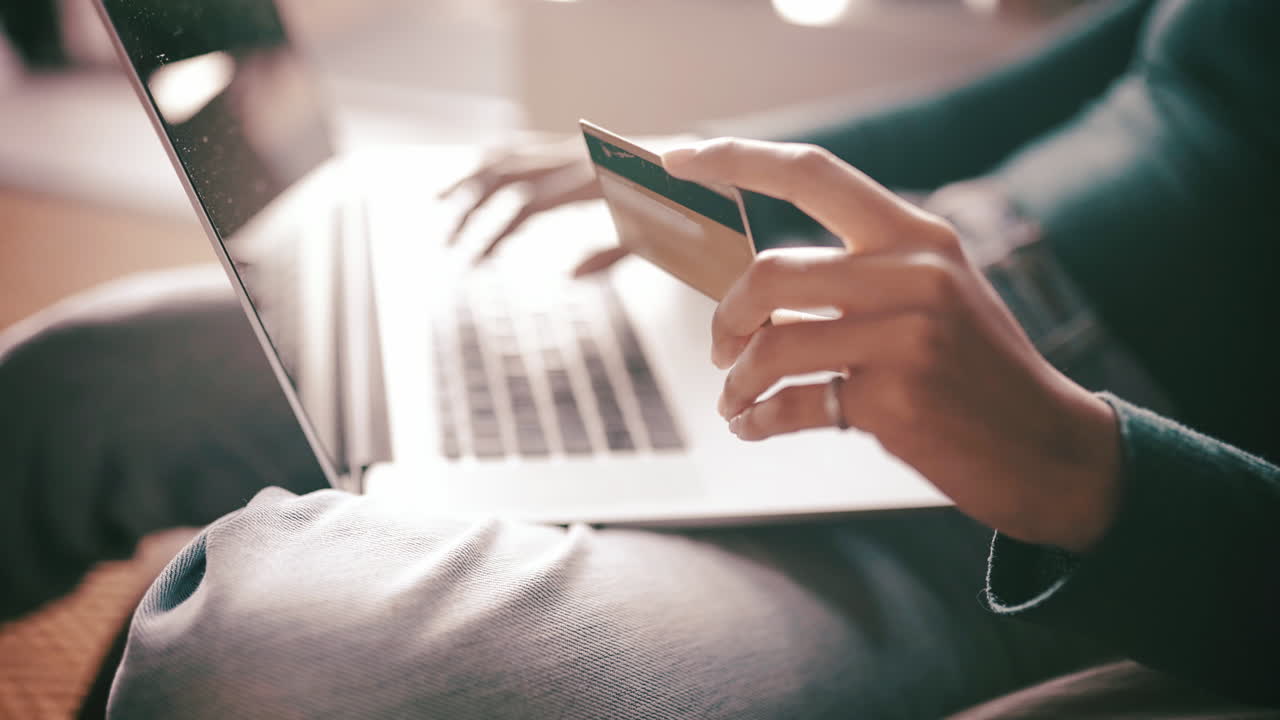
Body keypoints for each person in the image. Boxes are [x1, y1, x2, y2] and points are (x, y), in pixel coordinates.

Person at [2, 0, 1276, 716]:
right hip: (874, 283)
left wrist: (1078, 467)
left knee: (265, 650)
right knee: (85, 378)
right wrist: (698, 168)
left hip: (1041, 508)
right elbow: (1100, 90)